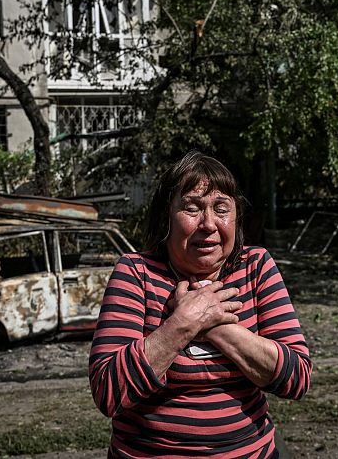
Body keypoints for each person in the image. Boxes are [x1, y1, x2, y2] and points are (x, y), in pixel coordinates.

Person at [89, 151, 313, 458]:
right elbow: (108, 392)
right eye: (191, 208)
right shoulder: (136, 272)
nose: (208, 224)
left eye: (221, 209)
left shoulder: (256, 266)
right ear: (165, 216)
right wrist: (181, 324)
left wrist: (215, 325)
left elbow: (297, 378)